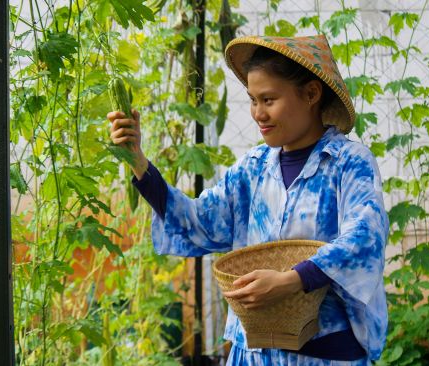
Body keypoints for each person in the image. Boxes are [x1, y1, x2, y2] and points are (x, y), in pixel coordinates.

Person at [107, 35, 388, 365]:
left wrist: (291, 280)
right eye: (253, 100)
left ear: (311, 94)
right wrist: (138, 161)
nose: (258, 113)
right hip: (252, 354)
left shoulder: (349, 163)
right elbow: (198, 222)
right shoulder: (251, 170)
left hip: (325, 354)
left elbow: (364, 239)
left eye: (269, 99)